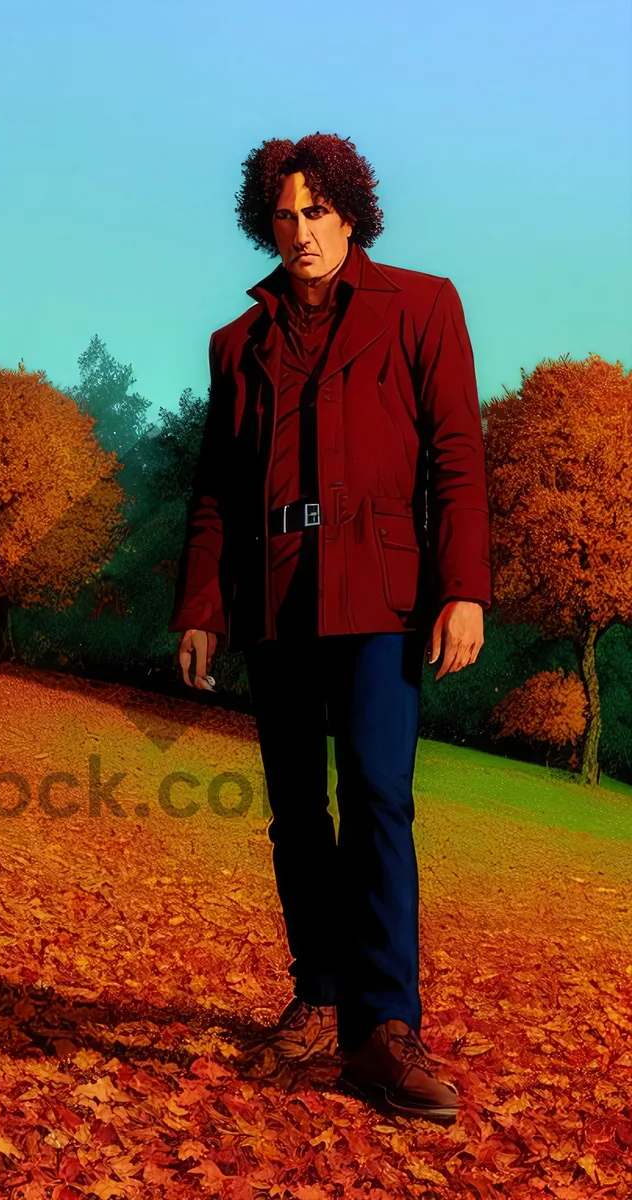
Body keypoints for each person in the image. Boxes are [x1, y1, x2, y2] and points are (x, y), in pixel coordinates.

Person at [169, 132, 491, 1124]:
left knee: (379, 804)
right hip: (277, 601)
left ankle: (389, 1029)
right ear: (264, 222)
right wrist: (201, 610)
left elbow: (457, 459)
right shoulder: (239, 343)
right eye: (285, 215)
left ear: (352, 214)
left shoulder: (422, 307)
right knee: (297, 816)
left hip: (382, 599)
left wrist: (462, 588)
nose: (301, 231)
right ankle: (319, 1000)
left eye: (318, 212)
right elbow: (217, 491)